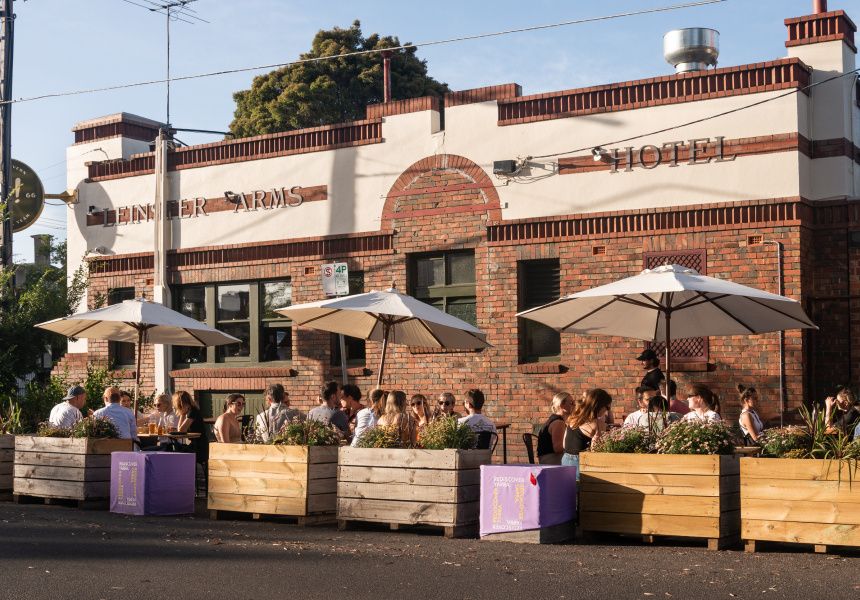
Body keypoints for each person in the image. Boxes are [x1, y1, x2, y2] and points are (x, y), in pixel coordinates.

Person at [561, 389, 613, 477]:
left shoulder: (573, 418)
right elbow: (597, 451)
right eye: (607, 408)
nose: (607, 411)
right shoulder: (598, 424)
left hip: (565, 460)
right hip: (582, 463)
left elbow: (564, 444)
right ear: (599, 406)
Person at [536, 392, 573, 465]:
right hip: (551, 461)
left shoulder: (555, 419)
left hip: (548, 459)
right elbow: (558, 449)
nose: (574, 405)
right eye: (571, 403)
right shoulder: (558, 423)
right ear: (562, 405)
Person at [173, 390, 209, 463]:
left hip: (200, 447)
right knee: (175, 450)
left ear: (180, 403)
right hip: (195, 444)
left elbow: (181, 431)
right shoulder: (190, 411)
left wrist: (182, 414)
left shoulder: (193, 412)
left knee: (177, 453)